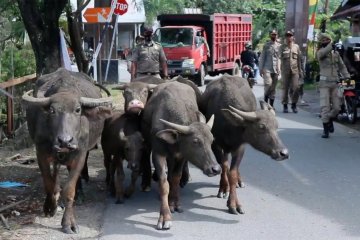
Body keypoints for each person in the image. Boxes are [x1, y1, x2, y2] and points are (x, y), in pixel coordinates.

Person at [316, 32, 350, 138]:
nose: (326, 42)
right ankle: (325, 129)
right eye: (324, 40)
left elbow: (342, 66)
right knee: (324, 107)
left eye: (328, 40)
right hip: (324, 84)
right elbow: (323, 53)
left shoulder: (336, 54)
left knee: (337, 108)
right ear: (321, 42)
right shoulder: (320, 52)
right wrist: (331, 46)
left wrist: (346, 76)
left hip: (335, 83)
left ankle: (329, 118)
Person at [279, 30, 304, 113]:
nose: (289, 37)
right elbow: (279, 59)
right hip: (285, 71)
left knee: (296, 88)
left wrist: (301, 71)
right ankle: (285, 105)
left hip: (295, 71)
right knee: (285, 88)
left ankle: (294, 104)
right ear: (285, 37)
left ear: (293, 37)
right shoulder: (282, 47)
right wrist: (278, 69)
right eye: (287, 36)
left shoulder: (296, 47)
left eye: (290, 36)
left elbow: (299, 60)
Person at [258, 29, 281, 108]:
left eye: (275, 34)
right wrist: (260, 69)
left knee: (273, 87)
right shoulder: (266, 45)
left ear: (277, 35)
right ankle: (265, 101)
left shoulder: (279, 46)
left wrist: (279, 68)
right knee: (268, 84)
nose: (273, 36)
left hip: (276, 69)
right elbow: (262, 57)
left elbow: (279, 58)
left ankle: (271, 105)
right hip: (267, 68)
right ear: (270, 35)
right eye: (272, 34)